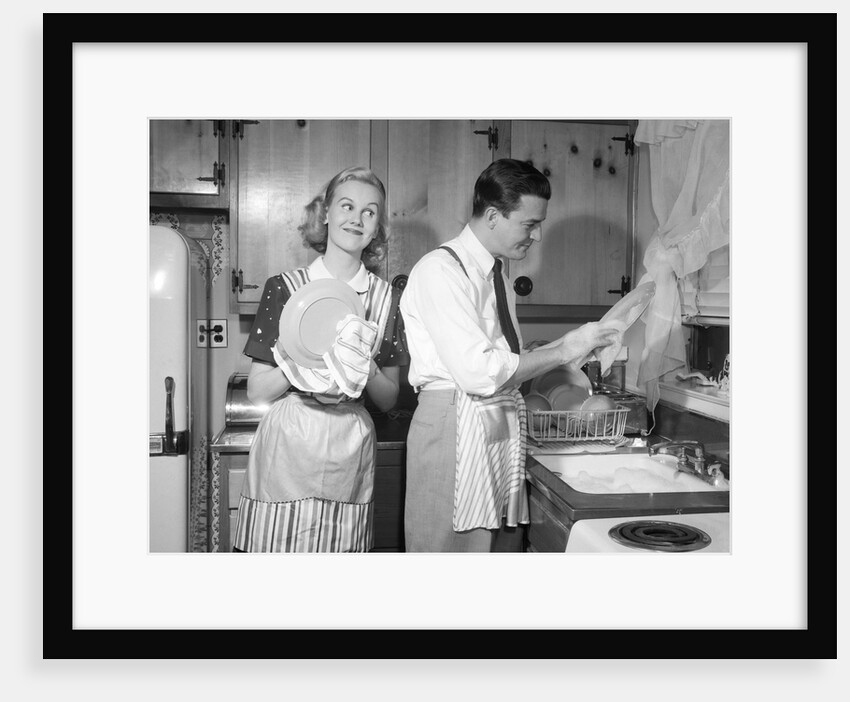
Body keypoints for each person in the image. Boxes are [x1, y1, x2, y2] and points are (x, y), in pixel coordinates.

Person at [399, 158, 620, 553]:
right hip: (454, 420)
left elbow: (507, 359)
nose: (536, 236)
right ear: (493, 215)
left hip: (496, 418)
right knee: (445, 551)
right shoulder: (439, 271)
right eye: (529, 224)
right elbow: (479, 372)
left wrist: (573, 351)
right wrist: (564, 347)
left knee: (491, 548)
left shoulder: (497, 276)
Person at [233, 166, 408, 552]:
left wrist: (366, 364)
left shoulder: (385, 300)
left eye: (370, 212)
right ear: (325, 212)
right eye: (346, 206)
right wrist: (300, 361)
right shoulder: (285, 288)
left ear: (378, 227)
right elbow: (258, 390)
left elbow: (388, 398)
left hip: (350, 442)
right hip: (289, 441)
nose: (357, 218)